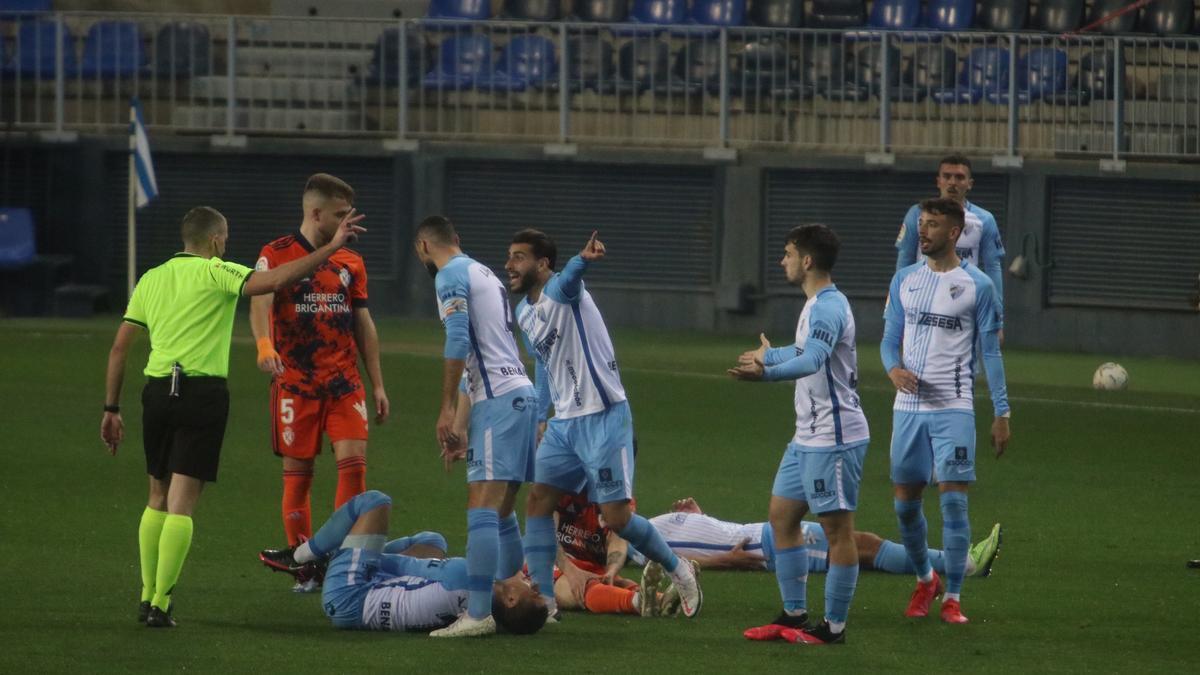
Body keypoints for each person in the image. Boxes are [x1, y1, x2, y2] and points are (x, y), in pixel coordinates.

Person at [101, 205, 365, 628]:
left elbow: (119, 348)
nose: (226, 243)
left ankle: (146, 595)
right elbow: (276, 280)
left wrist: (111, 408)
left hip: (155, 394)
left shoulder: (150, 278)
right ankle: (162, 605)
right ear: (214, 241)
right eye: (224, 237)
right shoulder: (217, 271)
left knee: (156, 498)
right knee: (181, 507)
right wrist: (332, 247)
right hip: (200, 395)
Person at [504, 228, 703, 620]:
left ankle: (680, 570)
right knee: (538, 502)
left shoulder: (562, 291)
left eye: (519, 257)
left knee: (616, 518)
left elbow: (570, 277)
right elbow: (543, 368)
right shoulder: (522, 313)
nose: (509, 264)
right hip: (564, 426)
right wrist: (539, 417)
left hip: (604, 418)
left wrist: (582, 258)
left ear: (543, 264)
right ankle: (545, 599)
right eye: (509, 256)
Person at [729, 223, 870, 645]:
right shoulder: (816, 304)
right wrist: (768, 353)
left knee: (837, 532)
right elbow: (804, 349)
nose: (782, 260)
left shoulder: (827, 306)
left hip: (835, 438)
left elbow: (811, 360)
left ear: (807, 261)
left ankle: (833, 628)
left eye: (788, 253)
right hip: (806, 436)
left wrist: (766, 373)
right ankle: (793, 615)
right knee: (781, 519)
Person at [251, 173, 389, 592]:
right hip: (296, 385)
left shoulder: (351, 262)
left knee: (354, 467)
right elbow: (259, 299)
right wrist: (263, 345)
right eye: (341, 214)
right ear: (315, 213)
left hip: (345, 384)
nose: (350, 222)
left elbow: (363, 323)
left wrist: (377, 384)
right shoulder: (276, 254)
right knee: (299, 476)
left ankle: (345, 561)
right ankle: (305, 565)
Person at [881, 197, 1011, 625]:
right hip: (907, 409)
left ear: (953, 233)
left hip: (954, 408)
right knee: (905, 506)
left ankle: (953, 596)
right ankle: (925, 579)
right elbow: (887, 341)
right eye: (922, 223)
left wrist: (1001, 412)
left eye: (933, 225)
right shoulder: (904, 280)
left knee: (953, 506)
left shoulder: (979, 286)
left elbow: (990, 353)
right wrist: (893, 370)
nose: (924, 231)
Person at [414, 215, 539, 638]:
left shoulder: (448, 275)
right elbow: (484, 355)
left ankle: (480, 612)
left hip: (499, 399)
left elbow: (458, 343)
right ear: (458, 240)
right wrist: (464, 425)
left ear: (423, 248)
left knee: (482, 507)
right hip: (522, 392)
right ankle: (522, 595)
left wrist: (446, 409)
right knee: (504, 512)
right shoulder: (483, 271)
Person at [262, 491, 548, 635]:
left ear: (510, 599)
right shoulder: (476, 602)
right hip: (363, 600)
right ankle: (332, 561)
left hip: (349, 595)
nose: (531, 583)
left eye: (532, 591)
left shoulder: (465, 576)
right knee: (433, 541)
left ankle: (300, 557)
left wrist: (344, 554)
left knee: (375, 502)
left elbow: (394, 565)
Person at [632, 497, 1002, 582]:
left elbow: (682, 543)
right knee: (863, 545)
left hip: (761, 535)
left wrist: (698, 516)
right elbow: (662, 565)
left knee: (859, 545)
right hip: (766, 544)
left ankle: (957, 563)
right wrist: (722, 561)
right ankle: (965, 564)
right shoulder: (628, 542)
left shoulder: (638, 524)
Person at [895, 154, 1006, 343]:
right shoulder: (916, 214)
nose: (952, 182)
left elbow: (993, 268)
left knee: (963, 366)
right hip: (921, 298)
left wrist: (998, 318)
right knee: (916, 366)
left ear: (969, 184)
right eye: (947, 176)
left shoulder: (984, 220)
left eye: (960, 177)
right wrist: (896, 312)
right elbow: (904, 261)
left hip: (963, 302)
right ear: (938, 181)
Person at [551, 491, 680, 618]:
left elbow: (618, 540)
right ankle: (639, 602)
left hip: (592, 565)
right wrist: (570, 570)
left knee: (620, 583)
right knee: (581, 588)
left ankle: (661, 600)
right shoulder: (560, 484)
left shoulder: (617, 490)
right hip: (557, 562)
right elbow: (545, 535)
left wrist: (611, 571)